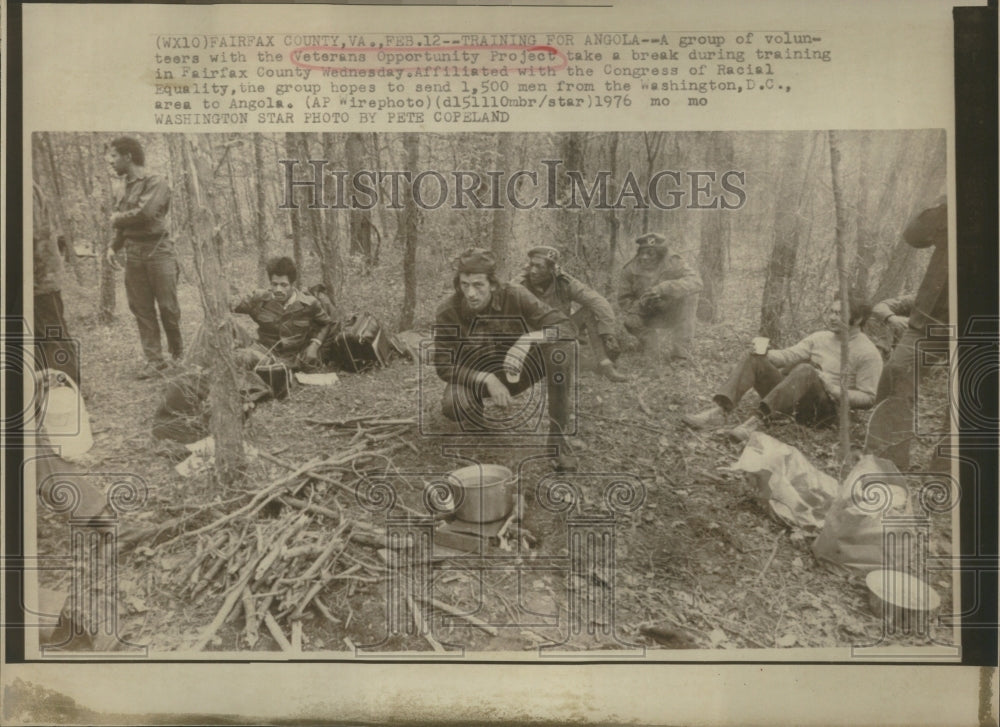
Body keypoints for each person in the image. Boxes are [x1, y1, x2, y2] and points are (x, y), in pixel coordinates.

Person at [433, 248, 579, 472]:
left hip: (518, 370)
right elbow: (443, 365)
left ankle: (558, 438)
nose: (471, 293)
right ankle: (475, 414)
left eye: (478, 285)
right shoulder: (448, 310)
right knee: (454, 405)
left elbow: (566, 327)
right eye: (464, 285)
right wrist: (486, 379)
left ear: (492, 284)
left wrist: (528, 339)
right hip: (478, 377)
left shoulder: (515, 294)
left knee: (561, 347)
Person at [683, 294, 883, 442]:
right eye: (831, 311)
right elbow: (788, 356)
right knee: (755, 357)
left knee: (806, 370)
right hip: (793, 398)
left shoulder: (867, 353)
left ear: (857, 320)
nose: (832, 317)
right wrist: (765, 353)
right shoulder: (820, 337)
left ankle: (755, 422)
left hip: (824, 410)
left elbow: (868, 398)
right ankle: (720, 411)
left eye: (840, 314)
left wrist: (833, 388)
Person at [865, 198, 949, 470]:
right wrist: (944, 203)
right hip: (932, 315)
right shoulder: (955, 206)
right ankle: (886, 462)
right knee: (898, 370)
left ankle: (946, 470)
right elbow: (915, 236)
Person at [105, 136, 182, 380]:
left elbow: (146, 213)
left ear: (128, 156)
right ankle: (154, 361)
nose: (111, 161)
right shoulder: (123, 186)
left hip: (159, 251)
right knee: (141, 308)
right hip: (134, 253)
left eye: (114, 155)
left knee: (168, 307)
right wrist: (113, 247)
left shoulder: (156, 181)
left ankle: (178, 355)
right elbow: (124, 222)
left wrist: (117, 218)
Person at [519, 245, 627, 382]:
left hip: (560, 332)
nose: (533, 271)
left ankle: (605, 365)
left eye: (540, 267)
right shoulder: (520, 284)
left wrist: (607, 333)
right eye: (532, 265)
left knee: (588, 312)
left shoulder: (564, 282)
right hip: (533, 336)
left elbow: (598, 301)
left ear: (552, 270)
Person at [231, 256, 333, 371]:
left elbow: (326, 323)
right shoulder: (259, 298)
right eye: (274, 284)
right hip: (263, 351)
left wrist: (315, 345)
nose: (278, 289)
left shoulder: (309, 303)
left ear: (292, 284)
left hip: (294, 358)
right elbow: (231, 306)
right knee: (231, 327)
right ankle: (268, 367)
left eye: (284, 285)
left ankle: (275, 370)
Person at [618, 232, 703, 361]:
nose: (645, 257)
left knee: (690, 296)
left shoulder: (673, 262)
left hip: (672, 312)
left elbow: (696, 282)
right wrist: (643, 303)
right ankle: (650, 344)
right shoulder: (630, 269)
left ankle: (681, 353)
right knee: (629, 320)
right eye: (642, 253)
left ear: (660, 254)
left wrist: (665, 288)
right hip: (648, 315)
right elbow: (624, 301)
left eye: (650, 253)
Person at [33, 181, 80, 385]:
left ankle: (69, 388)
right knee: (35, 337)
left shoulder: (25, 188)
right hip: (32, 281)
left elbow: (32, 234)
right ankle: (46, 391)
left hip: (41, 279)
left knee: (53, 335)